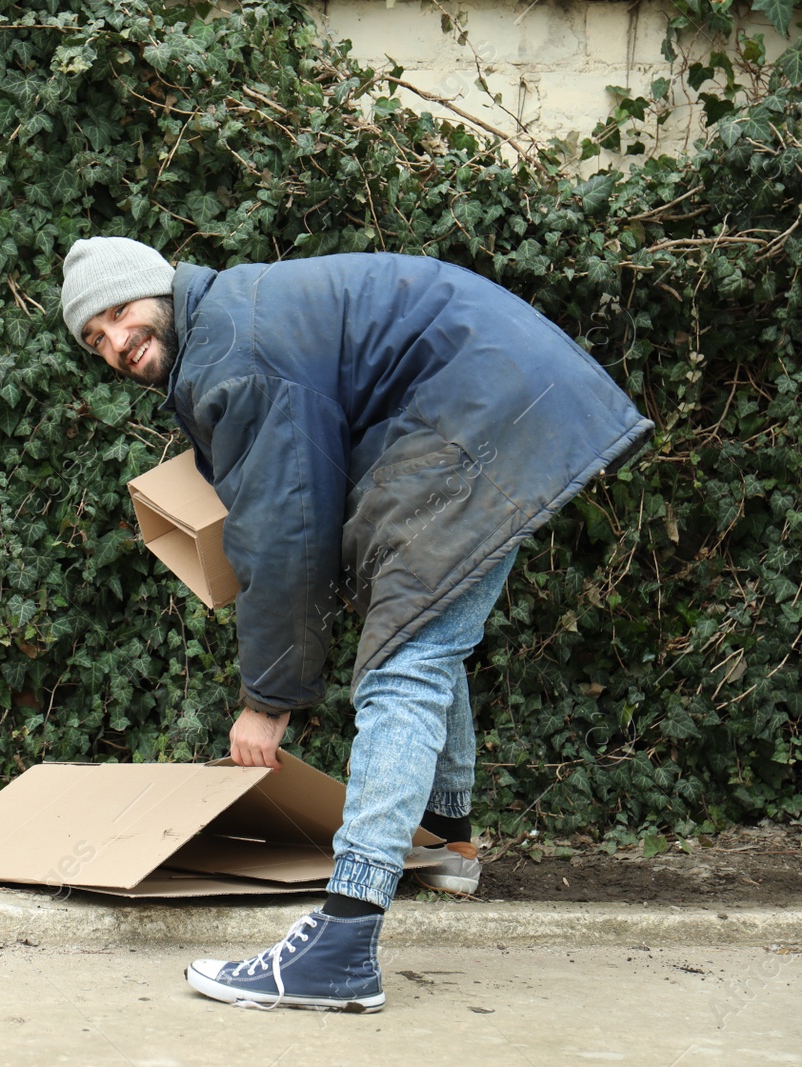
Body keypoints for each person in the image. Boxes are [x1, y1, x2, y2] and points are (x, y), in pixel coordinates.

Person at [59, 236, 652, 1012]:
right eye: (94, 339)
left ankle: (343, 940)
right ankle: (447, 839)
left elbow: (283, 528)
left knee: (405, 657)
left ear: (157, 290)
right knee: (420, 616)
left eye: (119, 314)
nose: (116, 344)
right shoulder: (225, 326)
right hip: (483, 396)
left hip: (479, 407)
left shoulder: (233, 350)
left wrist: (268, 701)